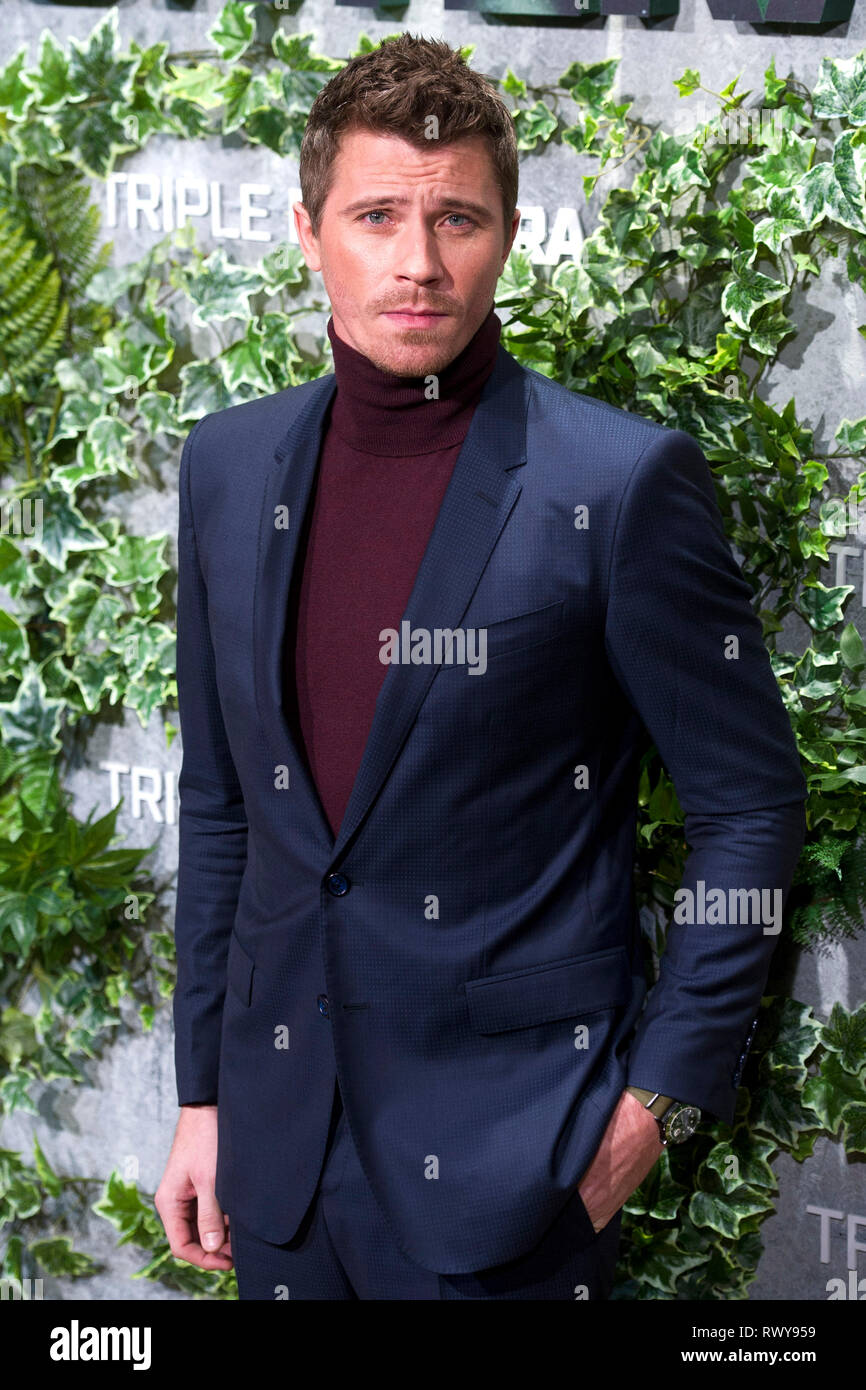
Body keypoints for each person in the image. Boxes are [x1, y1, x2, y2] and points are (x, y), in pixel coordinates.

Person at [155, 33, 807, 1300]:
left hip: (517, 1170)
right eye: (378, 215)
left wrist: (648, 1113)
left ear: (506, 234)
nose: (417, 261)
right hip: (278, 1161)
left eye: (456, 216)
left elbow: (749, 804)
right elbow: (224, 805)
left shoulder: (612, 483)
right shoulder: (227, 468)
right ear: (306, 230)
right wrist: (205, 1092)